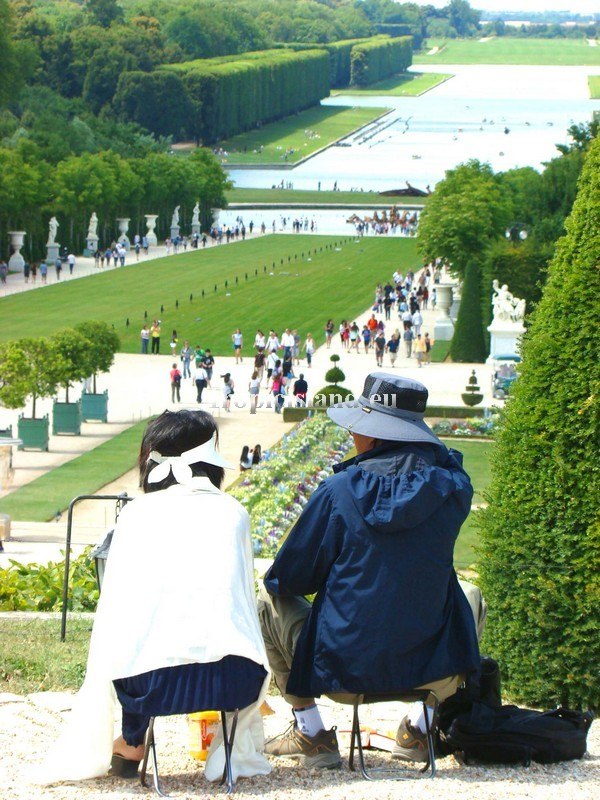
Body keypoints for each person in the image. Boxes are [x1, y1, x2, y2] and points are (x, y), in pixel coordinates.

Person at [258, 374, 483, 768]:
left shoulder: (338, 491)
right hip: (431, 671)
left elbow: (288, 579)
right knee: (472, 594)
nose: (352, 434)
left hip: (342, 674)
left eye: (358, 426)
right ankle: (419, 727)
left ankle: (311, 731)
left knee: (266, 598)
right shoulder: (453, 488)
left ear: (377, 435)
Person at [35, 410, 271, 785]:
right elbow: (241, 602)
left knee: (139, 640)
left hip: (150, 686)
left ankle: (133, 740)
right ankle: (224, 742)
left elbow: (118, 612)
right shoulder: (234, 512)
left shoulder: (137, 515)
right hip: (234, 677)